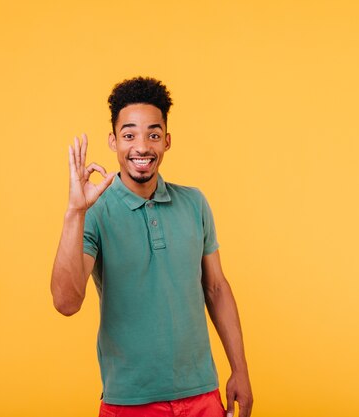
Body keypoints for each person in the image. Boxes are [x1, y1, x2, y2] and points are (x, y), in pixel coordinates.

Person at [51, 77, 253, 417]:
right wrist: (75, 212)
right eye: (129, 135)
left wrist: (240, 369)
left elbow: (216, 287)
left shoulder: (194, 203)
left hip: (202, 394)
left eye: (153, 134)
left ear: (167, 141)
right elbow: (66, 302)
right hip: (129, 402)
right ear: (113, 142)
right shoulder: (95, 214)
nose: (142, 147)